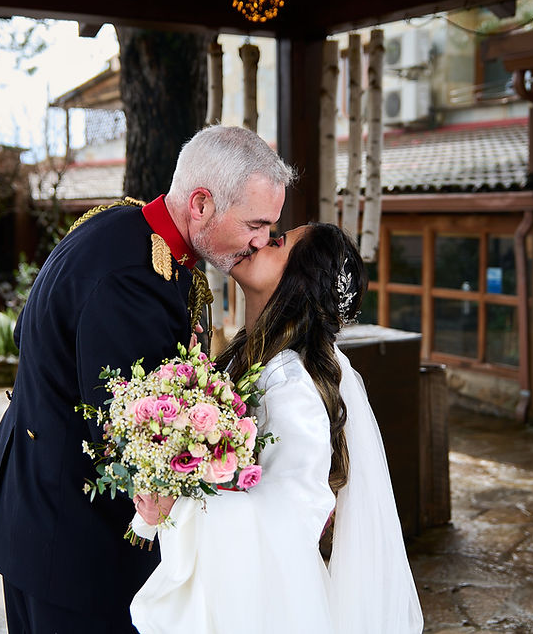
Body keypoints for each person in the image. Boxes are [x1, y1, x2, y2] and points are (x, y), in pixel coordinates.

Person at [0, 124, 294, 634]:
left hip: (40, 512)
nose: (262, 241)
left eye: (271, 227)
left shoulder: (127, 228)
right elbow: (130, 438)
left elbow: (24, 332)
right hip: (73, 544)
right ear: (202, 205)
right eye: (256, 223)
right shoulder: (132, 279)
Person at [129, 222, 424, 634]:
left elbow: (290, 515)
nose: (260, 240)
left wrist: (181, 504)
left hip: (260, 606)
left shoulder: (290, 385)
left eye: (278, 242)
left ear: (298, 280)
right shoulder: (249, 358)